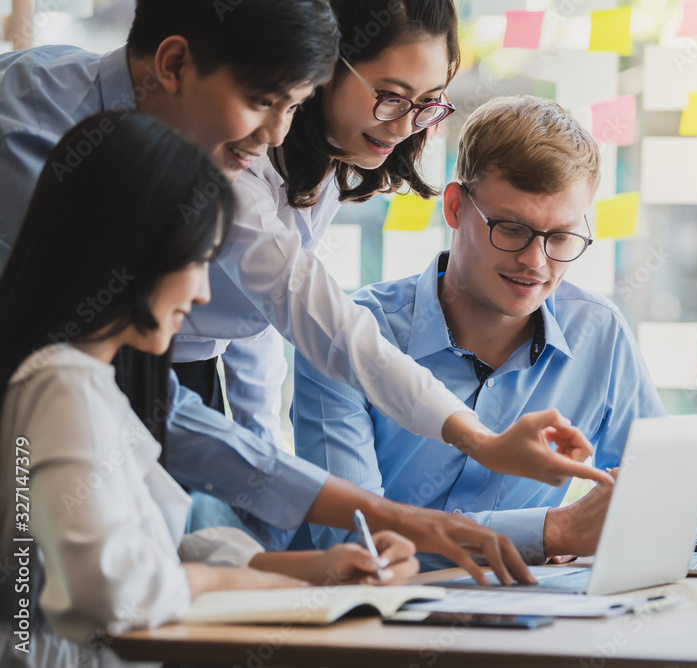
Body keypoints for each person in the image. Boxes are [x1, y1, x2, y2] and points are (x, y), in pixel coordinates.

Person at [0, 0, 600, 579]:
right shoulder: (39, 131)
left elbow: (229, 363)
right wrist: (473, 442)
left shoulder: (268, 152)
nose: (274, 133)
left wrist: (280, 549)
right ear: (174, 65)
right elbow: (116, 593)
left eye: (293, 104)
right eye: (266, 101)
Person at [0, 112, 419, 668]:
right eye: (198, 262)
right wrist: (234, 583)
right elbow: (118, 594)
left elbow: (166, 548)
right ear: (133, 248)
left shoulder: (90, 384)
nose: (200, 294)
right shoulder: (63, 384)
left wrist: (317, 572)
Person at [291, 95, 666, 567]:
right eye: (511, 229)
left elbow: (656, 494)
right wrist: (551, 533)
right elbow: (353, 545)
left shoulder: (599, 333)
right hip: (372, 627)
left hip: (536, 624)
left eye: (561, 238)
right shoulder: (347, 333)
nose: (535, 262)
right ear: (454, 207)